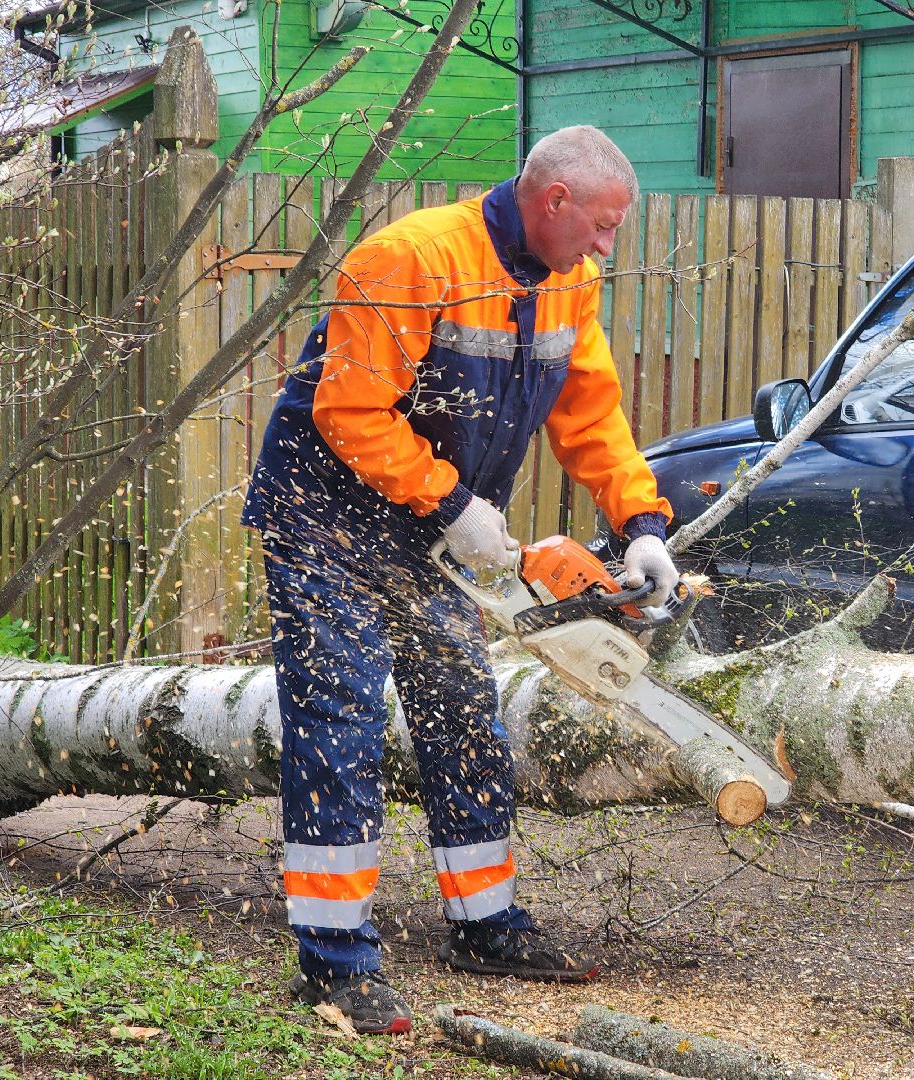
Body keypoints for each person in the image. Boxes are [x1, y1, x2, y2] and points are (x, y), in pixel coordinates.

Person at [241, 125, 678, 1034]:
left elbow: (591, 415)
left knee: (459, 711)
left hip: (434, 532)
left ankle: (486, 924)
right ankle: (333, 962)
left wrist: (640, 525)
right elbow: (349, 411)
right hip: (324, 519)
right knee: (342, 720)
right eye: (600, 225)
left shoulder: (569, 283)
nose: (607, 246)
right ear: (553, 200)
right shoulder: (410, 258)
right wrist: (454, 506)